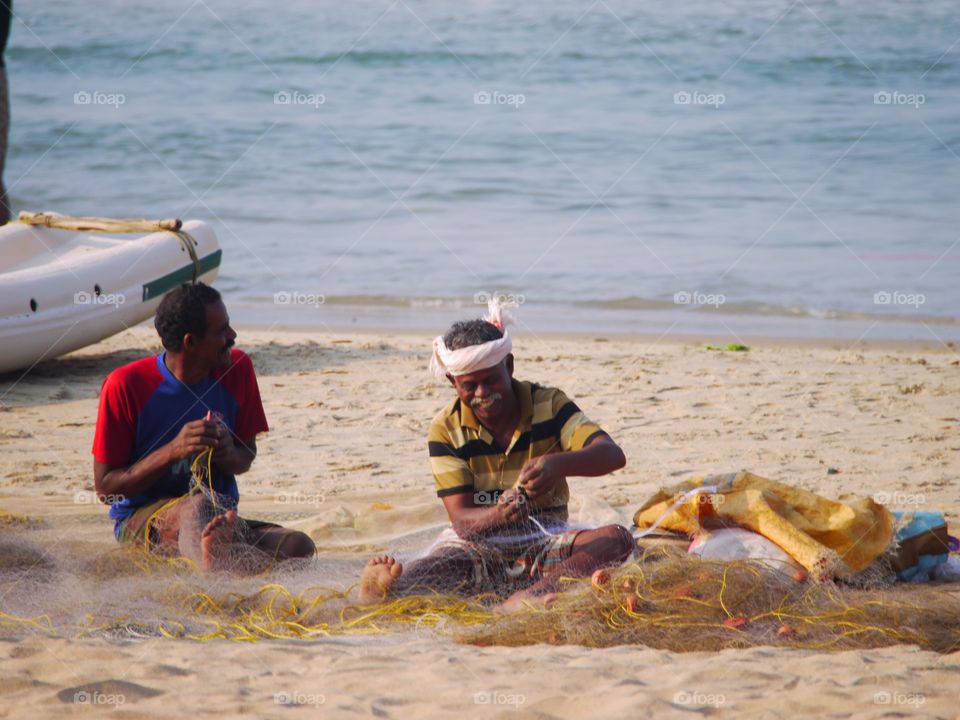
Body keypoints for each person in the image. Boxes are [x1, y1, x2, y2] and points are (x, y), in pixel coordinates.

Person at [356, 300, 634, 611]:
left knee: (617, 539)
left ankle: (532, 595)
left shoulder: (549, 405)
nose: (482, 394)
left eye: (491, 380)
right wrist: (498, 515)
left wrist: (557, 464)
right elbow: (461, 521)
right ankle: (388, 590)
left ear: (509, 366)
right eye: (469, 386)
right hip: (477, 547)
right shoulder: (446, 429)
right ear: (452, 382)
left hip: (546, 543)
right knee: (442, 565)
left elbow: (612, 455)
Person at [92, 282, 315, 571]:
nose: (233, 336)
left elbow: (245, 454)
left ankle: (219, 557)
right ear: (191, 342)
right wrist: (174, 450)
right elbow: (106, 488)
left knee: (299, 546)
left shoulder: (238, 368)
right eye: (222, 331)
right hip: (141, 521)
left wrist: (227, 454)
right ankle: (213, 578)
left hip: (219, 518)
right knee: (196, 506)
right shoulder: (125, 385)